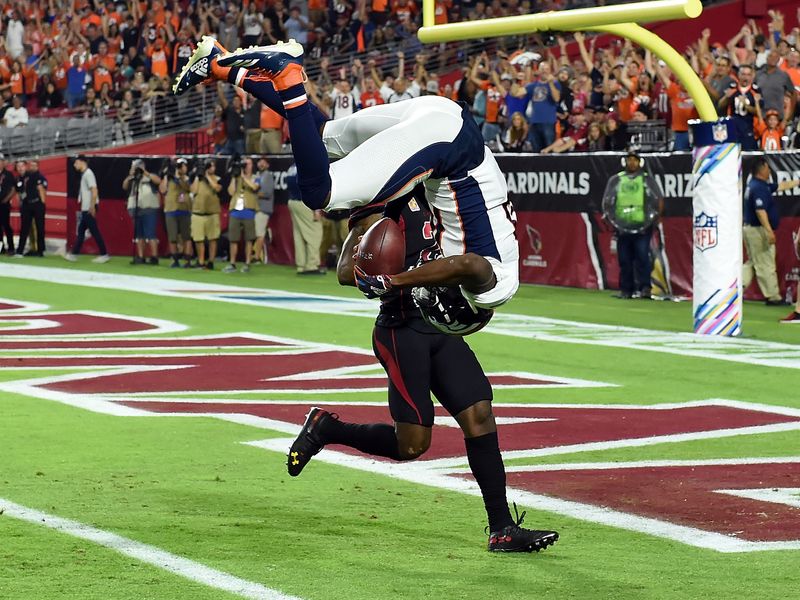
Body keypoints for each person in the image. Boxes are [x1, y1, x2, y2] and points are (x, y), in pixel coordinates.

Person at [285, 190, 558, 553]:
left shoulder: (447, 193)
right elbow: (346, 272)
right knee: (412, 444)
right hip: (401, 328)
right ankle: (327, 427)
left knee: (479, 412)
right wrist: (388, 268)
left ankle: (501, 528)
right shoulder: (385, 201)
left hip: (438, 323)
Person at [174, 36, 519, 311]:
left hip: (440, 118)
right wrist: (399, 281)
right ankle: (288, 75)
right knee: (319, 193)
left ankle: (219, 64)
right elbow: (472, 265)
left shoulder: (494, 256)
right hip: (450, 151)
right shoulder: (495, 290)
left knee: (322, 136)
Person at [602, 147, 664, 299]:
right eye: (629, 159)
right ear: (625, 161)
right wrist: (611, 219)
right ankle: (626, 290)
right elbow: (608, 200)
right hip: (622, 226)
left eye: (634, 160)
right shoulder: (616, 180)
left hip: (642, 225)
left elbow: (658, 199)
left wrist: (655, 219)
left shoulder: (646, 179)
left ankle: (645, 288)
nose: (632, 162)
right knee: (624, 259)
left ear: (639, 162)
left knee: (643, 257)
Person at [743, 157, 800, 305]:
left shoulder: (758, 185)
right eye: (768, 168)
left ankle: (735, 287)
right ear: (761, 170)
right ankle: (773, 297)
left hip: (751, 228)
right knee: (765, 263)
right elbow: (760, 211)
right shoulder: (759, 188)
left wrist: (798, 182)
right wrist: (769, 231)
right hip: (758, 230)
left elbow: (781, 186)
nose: (770, 170)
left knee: (753, 262)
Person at [66, 156, 110, 263]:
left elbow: (94, 191)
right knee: (81, 231)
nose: (74, 165)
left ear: (82, 162)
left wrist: (92, 206)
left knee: (94, 231)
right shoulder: (85, 174)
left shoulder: (88, 174)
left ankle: (104, 254)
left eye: (76, 163)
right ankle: (74, 254)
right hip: (86, 207)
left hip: (89, 207)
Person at [122, 159, 162, 265]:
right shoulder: (133, 178)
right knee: (139, 234)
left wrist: (144, 172)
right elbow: (124, 186)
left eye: (137, 166)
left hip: (149, 208)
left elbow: (158, 181)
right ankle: (140, 256)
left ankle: (154, 257)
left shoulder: (149, 176)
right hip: (135, 209)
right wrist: (130, 175)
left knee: (150, 234)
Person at [286, 162, 323, 275]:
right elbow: (312, 186)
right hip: (304, 203)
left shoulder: (291, 167)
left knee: (299, 235)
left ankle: (301, 265)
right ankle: (311, 265)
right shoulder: (307, 165)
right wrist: (316, 208)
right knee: (315, 233)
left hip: (292, 201)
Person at [224, 157, 259, 273]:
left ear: (251, 165)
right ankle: (232, 263)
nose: (246, 166)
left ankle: (247, 263)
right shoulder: (237, 177)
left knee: (249, 239)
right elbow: (230, 191)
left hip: (249, 210)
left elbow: (254, 187)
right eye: (244, 163)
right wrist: (235, 177)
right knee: (233, 239)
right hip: (236, 210)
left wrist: (244, 177)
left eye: (248, 164)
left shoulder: (255, 177)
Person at [159, 157, 194, 268]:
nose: (180, 168)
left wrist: (179, 177)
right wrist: (166, 175)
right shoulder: (169, 178)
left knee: (186, 237)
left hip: (184, 210)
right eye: (178, 166)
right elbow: (163, 190)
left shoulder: (187, 179)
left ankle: (187, 260)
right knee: (172, 237)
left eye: (182, 166)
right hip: (171, 210)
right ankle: (175, 260)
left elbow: (188, 188)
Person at [190, 159, 222, 270]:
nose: (210, 168)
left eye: (212, 166)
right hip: (198, 212)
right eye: (208, 166)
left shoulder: (217, 178)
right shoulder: (197, 179)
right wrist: (198, 176)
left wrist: (207, 176)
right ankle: (201, 261)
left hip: (212, 213)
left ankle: (211, 261)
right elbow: (193, 191)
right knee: (198, 239)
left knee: (213, 239)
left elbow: (217, 188)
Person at [14, 159, 47, 257]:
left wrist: (42, 203)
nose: (20, 168)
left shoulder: (33, 175)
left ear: (26, 166)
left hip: (37, 204)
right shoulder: (18, 179)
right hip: (26, 205)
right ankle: (20, 251)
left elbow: (41, 188)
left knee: (40, 227)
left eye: (22, 166)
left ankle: (40, 251)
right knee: (24, 228)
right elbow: (18, 193)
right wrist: (20, 203)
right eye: (18, 166)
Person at [253, 157, 274, 264]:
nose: (261, 164)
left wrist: (252, 194)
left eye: (263, 162)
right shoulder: (258, 175)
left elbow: (267, 193)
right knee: (258, 233)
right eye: (259, 162)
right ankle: (257, 255)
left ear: (267, 165)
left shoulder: (267, 176)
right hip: (257, 208)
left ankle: (257, 257)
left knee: (259, 234)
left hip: (263, 208)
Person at [0, 154, 17, 255]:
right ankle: (1, 248)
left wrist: (6, 199)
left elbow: (14, 189)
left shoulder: (8, 174)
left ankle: (11, 248)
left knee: (6, 225)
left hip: (4, 204)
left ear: (3, 162)